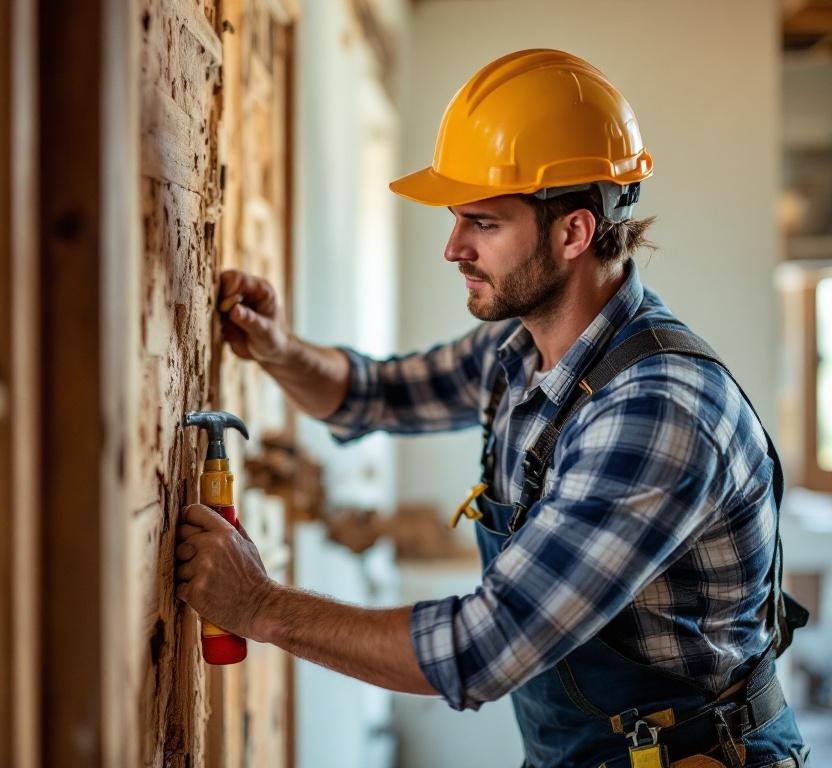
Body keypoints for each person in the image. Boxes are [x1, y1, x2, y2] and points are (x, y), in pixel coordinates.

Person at [175, 49, 809, 767]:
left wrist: (259, 605)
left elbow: (483, 648)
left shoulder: (655, 412)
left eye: (482, 222)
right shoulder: (520, 351)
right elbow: (377, 393)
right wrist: (278, 348)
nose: (453, 248)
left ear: (574, 232)